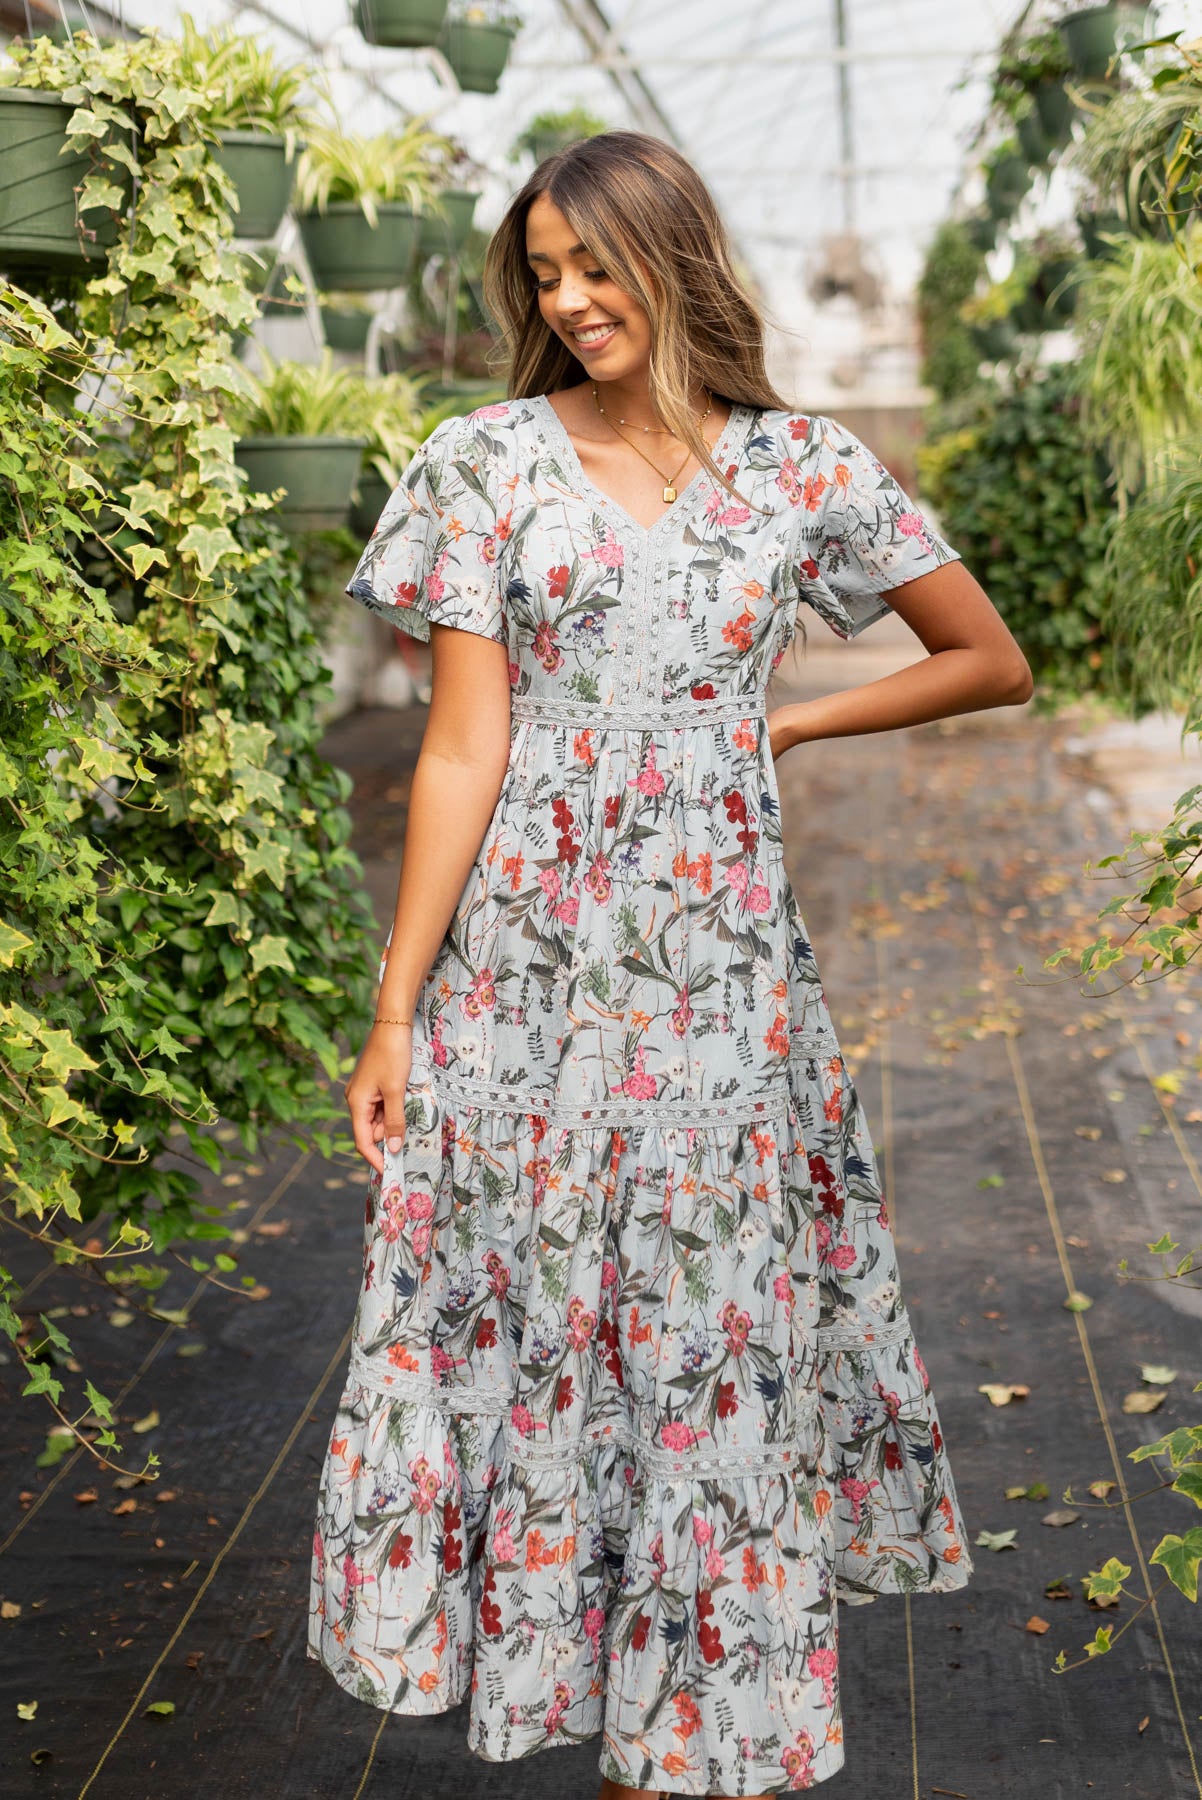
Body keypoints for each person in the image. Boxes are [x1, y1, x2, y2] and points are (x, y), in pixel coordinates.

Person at [307, 130, 1032, 1799]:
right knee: (527, 1316)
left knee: (704, 1333)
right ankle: (577, 1700)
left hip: (717, 990)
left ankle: (678, 1744)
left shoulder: (803, 472)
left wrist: (787, 719)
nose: (566, 301)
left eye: (592, 266)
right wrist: (397, 1005)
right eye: (541, 274)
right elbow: (457, 751)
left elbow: (982, 658)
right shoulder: (481, 459)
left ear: (670, 254)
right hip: (520, 982)